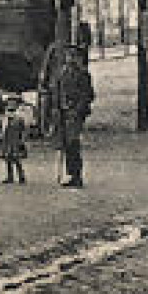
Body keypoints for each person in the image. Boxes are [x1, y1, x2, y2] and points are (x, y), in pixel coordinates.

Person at [55, 43, 95, 188]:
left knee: (73, 143)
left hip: (75, 114)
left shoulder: (83, 74)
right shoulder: (62, 73)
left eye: (73, 56)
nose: (70, 59)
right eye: (68, 56)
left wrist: (78, 110)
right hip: (63, 113)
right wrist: (58, 108)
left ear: (78, 58)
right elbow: (58, 92)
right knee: (66, 144)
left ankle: (77, 176)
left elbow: (88, 95)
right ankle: (71, 174)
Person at [0, 94, 29, 184]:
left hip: (16, 140)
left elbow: (23, 129)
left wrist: (22, 139)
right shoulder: (5, 117)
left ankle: (21, 176)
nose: (11, 105)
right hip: (7, 140)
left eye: (13, 103)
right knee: (8, 158)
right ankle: (10, 176)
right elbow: (2, 128)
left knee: (16, 159)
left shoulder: (19, 117)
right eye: (9, 103)